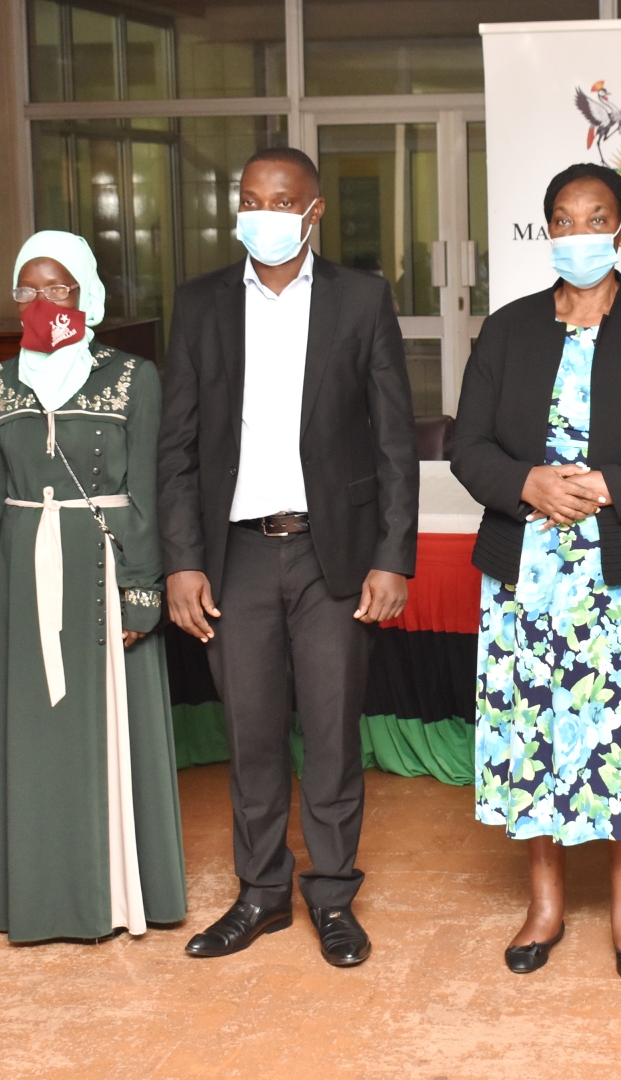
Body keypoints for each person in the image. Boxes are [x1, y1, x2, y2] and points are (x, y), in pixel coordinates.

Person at [449, 162, 621, 984]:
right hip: (528, 569)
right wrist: (527, 483)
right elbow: (469, 447)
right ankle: (543, 901)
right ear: (549, 233)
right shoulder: (506, 330)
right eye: (563, 220)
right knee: (533, 734)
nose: (579, 233)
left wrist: (609, 486)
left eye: (595, 218)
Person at [158, 147, 418, 967]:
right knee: (252, 731)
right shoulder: (200, 304)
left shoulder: (360, 300)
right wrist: (181, 561)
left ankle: (333, 896)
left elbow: (393, 441)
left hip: (330, 553)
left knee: (335, 732)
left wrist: (393, 556)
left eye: (278, 201)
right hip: (233, 554)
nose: (260, 214)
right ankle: (263, 893)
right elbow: (178, 446)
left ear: (312, 213)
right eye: (248, 198)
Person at [0, 230, 187, 943]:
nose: (42, 302)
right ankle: (43, 897)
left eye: (57, 289)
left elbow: (146, 487)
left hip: (106, 569)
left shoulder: (132, 375)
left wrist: (144, 587)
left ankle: (114, 897)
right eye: (28, 290)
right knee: (37, 737)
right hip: (26, 574)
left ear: (86, 292)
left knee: (109, 730)